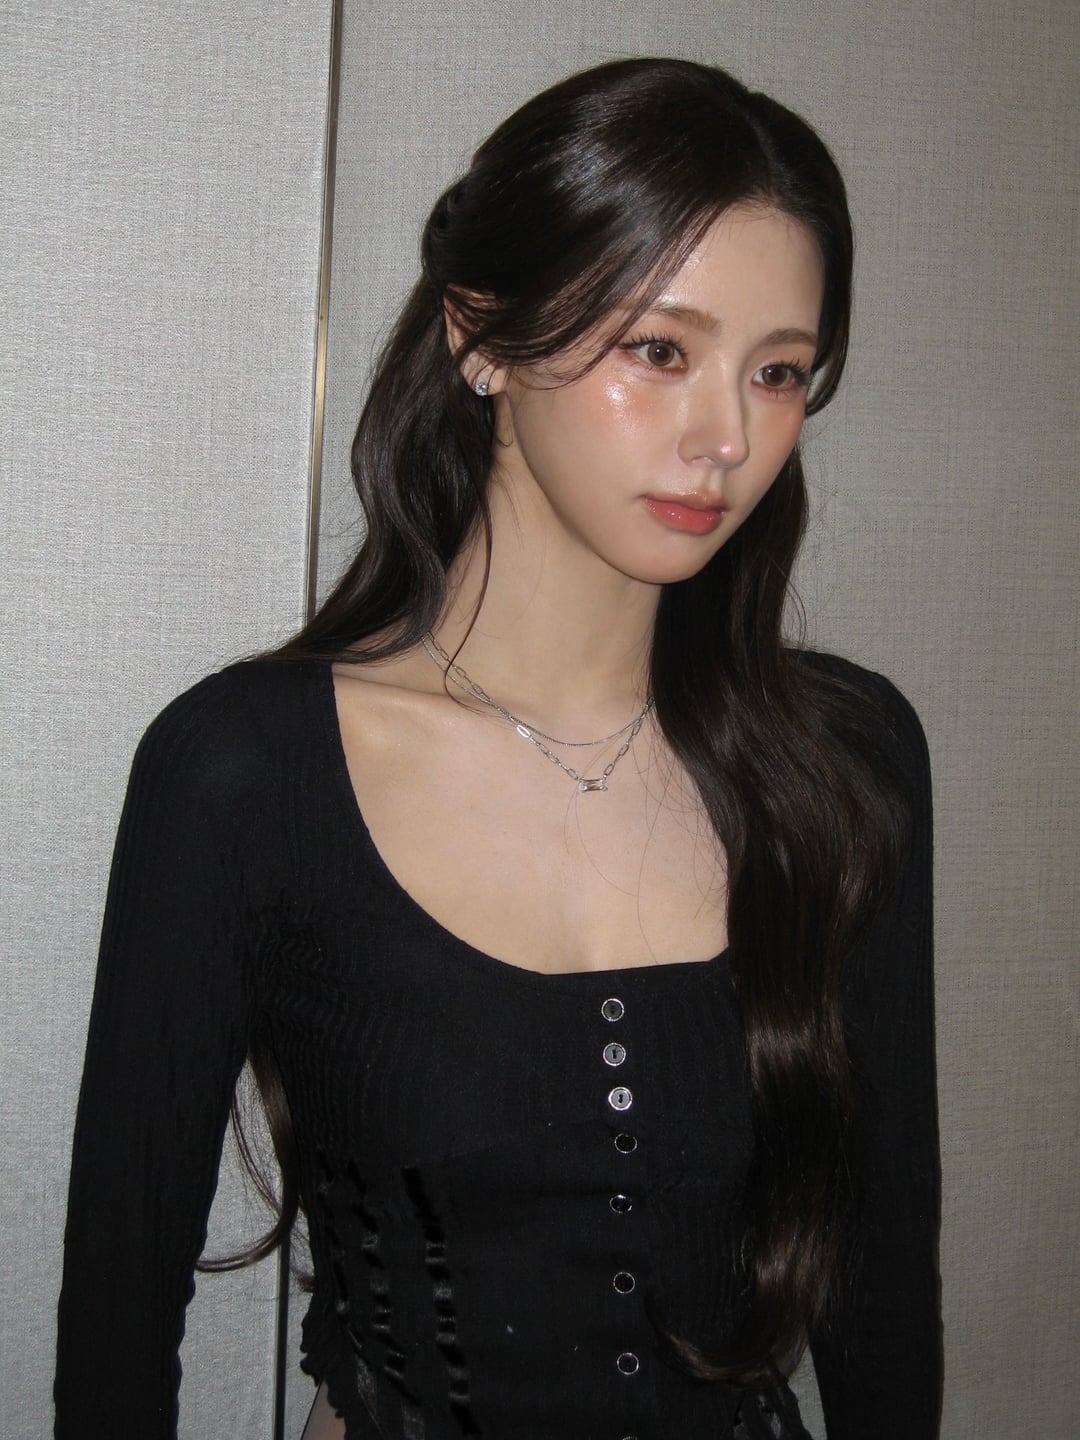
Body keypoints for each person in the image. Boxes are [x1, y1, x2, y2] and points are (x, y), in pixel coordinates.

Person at [54, 56, 942, 1440]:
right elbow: (116, 1337)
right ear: (482, 337)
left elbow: (880, 1295)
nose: (726, 437)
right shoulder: (244, 772)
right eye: (660, 350)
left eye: (779, 372)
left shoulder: (847, 759)